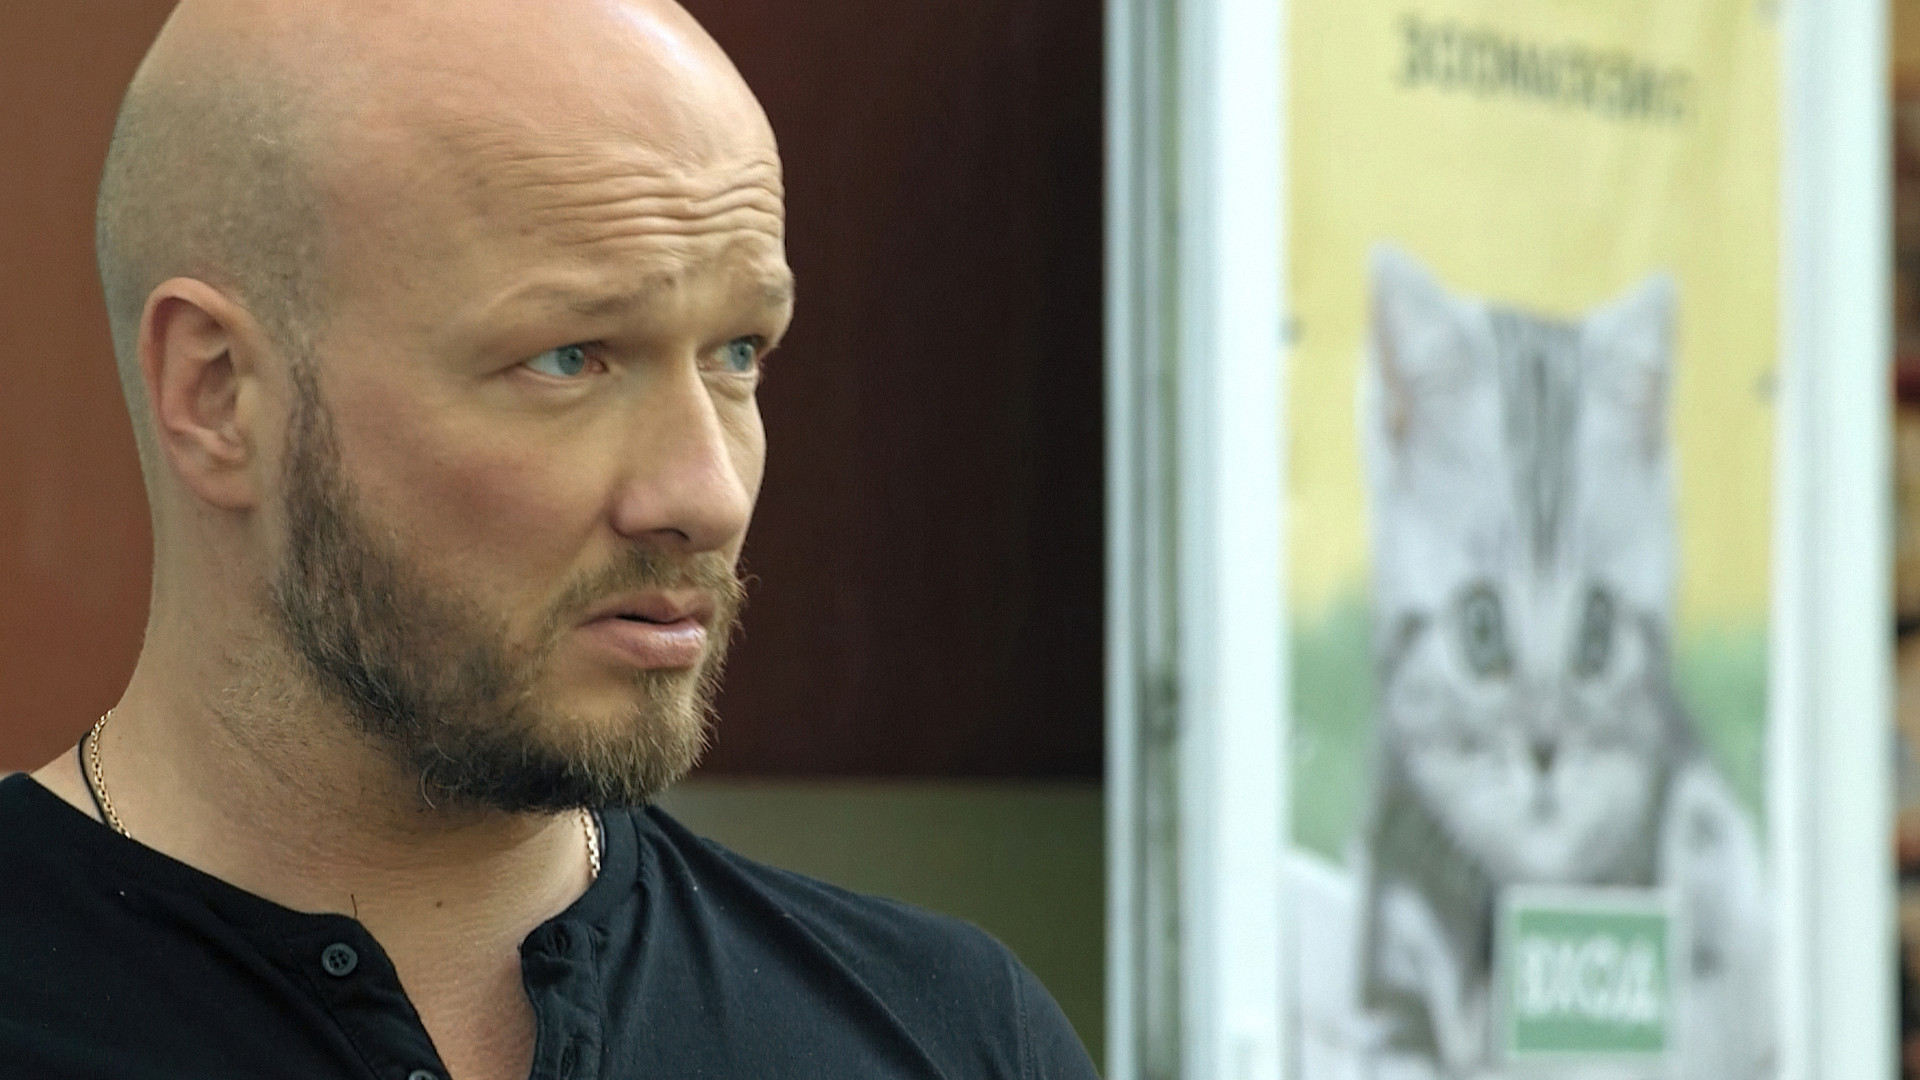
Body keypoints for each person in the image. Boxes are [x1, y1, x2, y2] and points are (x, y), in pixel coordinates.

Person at [0, 1, 1101, 1078]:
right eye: (570, 358)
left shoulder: (948, 1035)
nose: (709, 497)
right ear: (219, 395)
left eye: (738, 353)